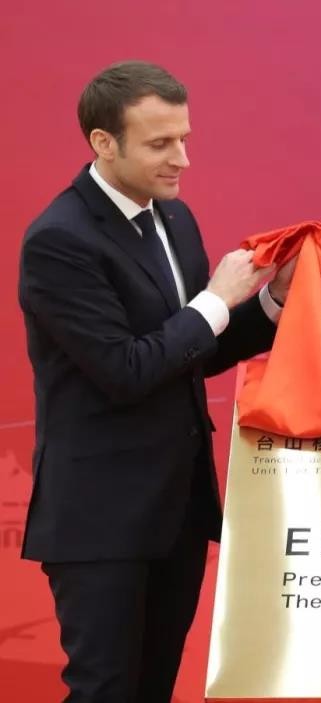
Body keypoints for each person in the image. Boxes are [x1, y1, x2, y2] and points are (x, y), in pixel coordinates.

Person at [17, 60, 296, 702]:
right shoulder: (59, 241)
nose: (182, 160)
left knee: (153, 688)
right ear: (103, 142)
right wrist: (216, 299)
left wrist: (271, 302)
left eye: (185, 138)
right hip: (100, 520)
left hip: (176, 511)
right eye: (160, 143)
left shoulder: (175, 218)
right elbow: (126, 369)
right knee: (106, 690)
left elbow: (190, 352)